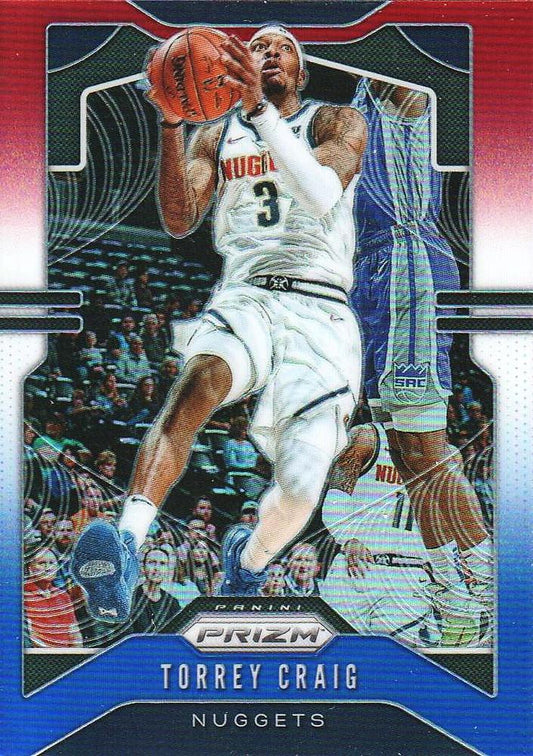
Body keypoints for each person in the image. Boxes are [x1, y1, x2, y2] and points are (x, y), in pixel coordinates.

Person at [72, 25, 366, 619]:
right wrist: (171, 123)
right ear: (235, 65)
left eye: (284, 47)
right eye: (258, 46)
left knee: (302, 485)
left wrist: (260, 112)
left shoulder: (336, 121)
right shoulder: (216, 133)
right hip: (245, 294)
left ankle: (248, 561)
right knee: (197, 382)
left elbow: (321, 193)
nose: (270, 52)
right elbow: (180, 219)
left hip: (322, 310)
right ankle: (126, 545)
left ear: (302, 71)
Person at [350, 77, 492, 612]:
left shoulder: (399, 85)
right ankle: (449, 581)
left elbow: (405, 60)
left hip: (408, 266)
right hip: (371, 274)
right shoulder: (357, 98)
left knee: (428, 449)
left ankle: (491, 578)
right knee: (405, 452)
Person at [321, 423, 486, 647]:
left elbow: (448, 521)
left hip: (410, 574)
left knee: (396, 660)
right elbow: (336, 495)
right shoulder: (368, 437)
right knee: (335, 653)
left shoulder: (449, 455)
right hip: (356, 567)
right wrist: (347, 537)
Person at [24, 548, 82, 647]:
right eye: (42, 563)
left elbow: (74, 633)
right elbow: (29, 636)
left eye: (52, 563)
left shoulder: (63, 596)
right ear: (30, 568)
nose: (48, 568)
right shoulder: (22, 595)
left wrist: (76, 653)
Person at [129, 547, 181, 633]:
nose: (157, 568)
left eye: (162, 563)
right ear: (143, 568)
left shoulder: (172, 603)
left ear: (167, 570)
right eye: (152, 562)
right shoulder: (130, 600)